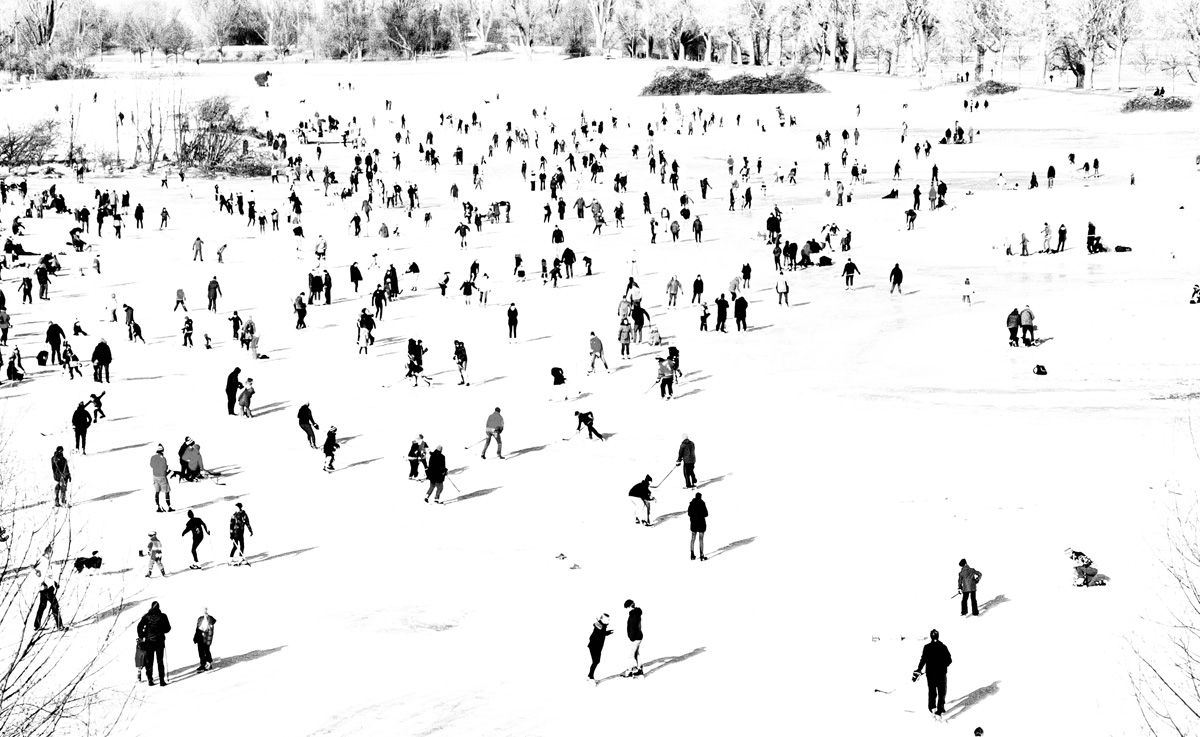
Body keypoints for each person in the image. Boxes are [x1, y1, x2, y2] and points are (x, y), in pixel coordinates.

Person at [914, 629, 952, 718]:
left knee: (932, 691)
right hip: (941, 673)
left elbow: (923, 660)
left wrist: (919, 669)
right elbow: (949, 660)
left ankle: (932, 708)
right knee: (942, 692)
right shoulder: (943, 647)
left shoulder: (927, 647)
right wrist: (943, 665)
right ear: (938, 636)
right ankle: (940, 709)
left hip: (930, 674)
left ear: (931, 636)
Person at [137, 601, 172, 686]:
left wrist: (143, 635)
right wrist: (162, 630)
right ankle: (162, 681)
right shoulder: (163, 616)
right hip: (160, 641)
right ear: (159, 607)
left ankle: (150, 680)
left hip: (149, 642)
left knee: (149, 661)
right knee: (160, 661)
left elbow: (139, 626)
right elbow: (168, 628)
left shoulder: (146, 616)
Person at [32, 564, 64, 630]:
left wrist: (54, 582)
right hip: (46, 589)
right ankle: (59, 625)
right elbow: (38, 574)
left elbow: (50, 575)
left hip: (46, 588)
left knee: (42, 607)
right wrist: (43, 583)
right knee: (54, 606)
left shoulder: (48, 562)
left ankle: (37, 625)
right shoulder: (42, 562)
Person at [587, 613, 614, 682]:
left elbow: (602, 633)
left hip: (598, 647)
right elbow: (599, 630)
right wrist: (606, 631)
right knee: (596, 661)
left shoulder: (602, 625)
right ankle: (590, 677)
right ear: (603, 619)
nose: (608, 621)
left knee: (596, 661)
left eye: (609, 619)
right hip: (594, 646)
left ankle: (590, 676)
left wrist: (608, 632)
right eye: (607, 619)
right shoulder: (600, 626)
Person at [623, 599, 644, 677]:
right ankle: (639, 669)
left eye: (626, 607)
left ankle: (630, 671)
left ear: (629, 607)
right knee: (636, 653)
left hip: (635, 637)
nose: (626, 609)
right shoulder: (636, 613)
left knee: (631, 655)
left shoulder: (633, 614)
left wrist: (631, 637)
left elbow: (633, 627)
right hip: (638, 636)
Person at [151, 444, 172, 512]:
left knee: (157, 491)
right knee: (167, 491)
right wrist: (167, 469)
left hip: (155, 476)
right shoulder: (163, 458)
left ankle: (158, 506)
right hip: (162, 476)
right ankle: (169, 506)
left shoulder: (153, 457)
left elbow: (151, 465)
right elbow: (164, 468)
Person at [688, 492, 708, 561]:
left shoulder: (691, 503)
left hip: (694, 523)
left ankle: (692, 554)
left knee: (693, 538)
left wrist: (693, 517)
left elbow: (689, 513)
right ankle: (701, 555)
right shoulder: (702, 503)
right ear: (700, 497)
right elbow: (706, 514)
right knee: (701, 539)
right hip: (701, 523)